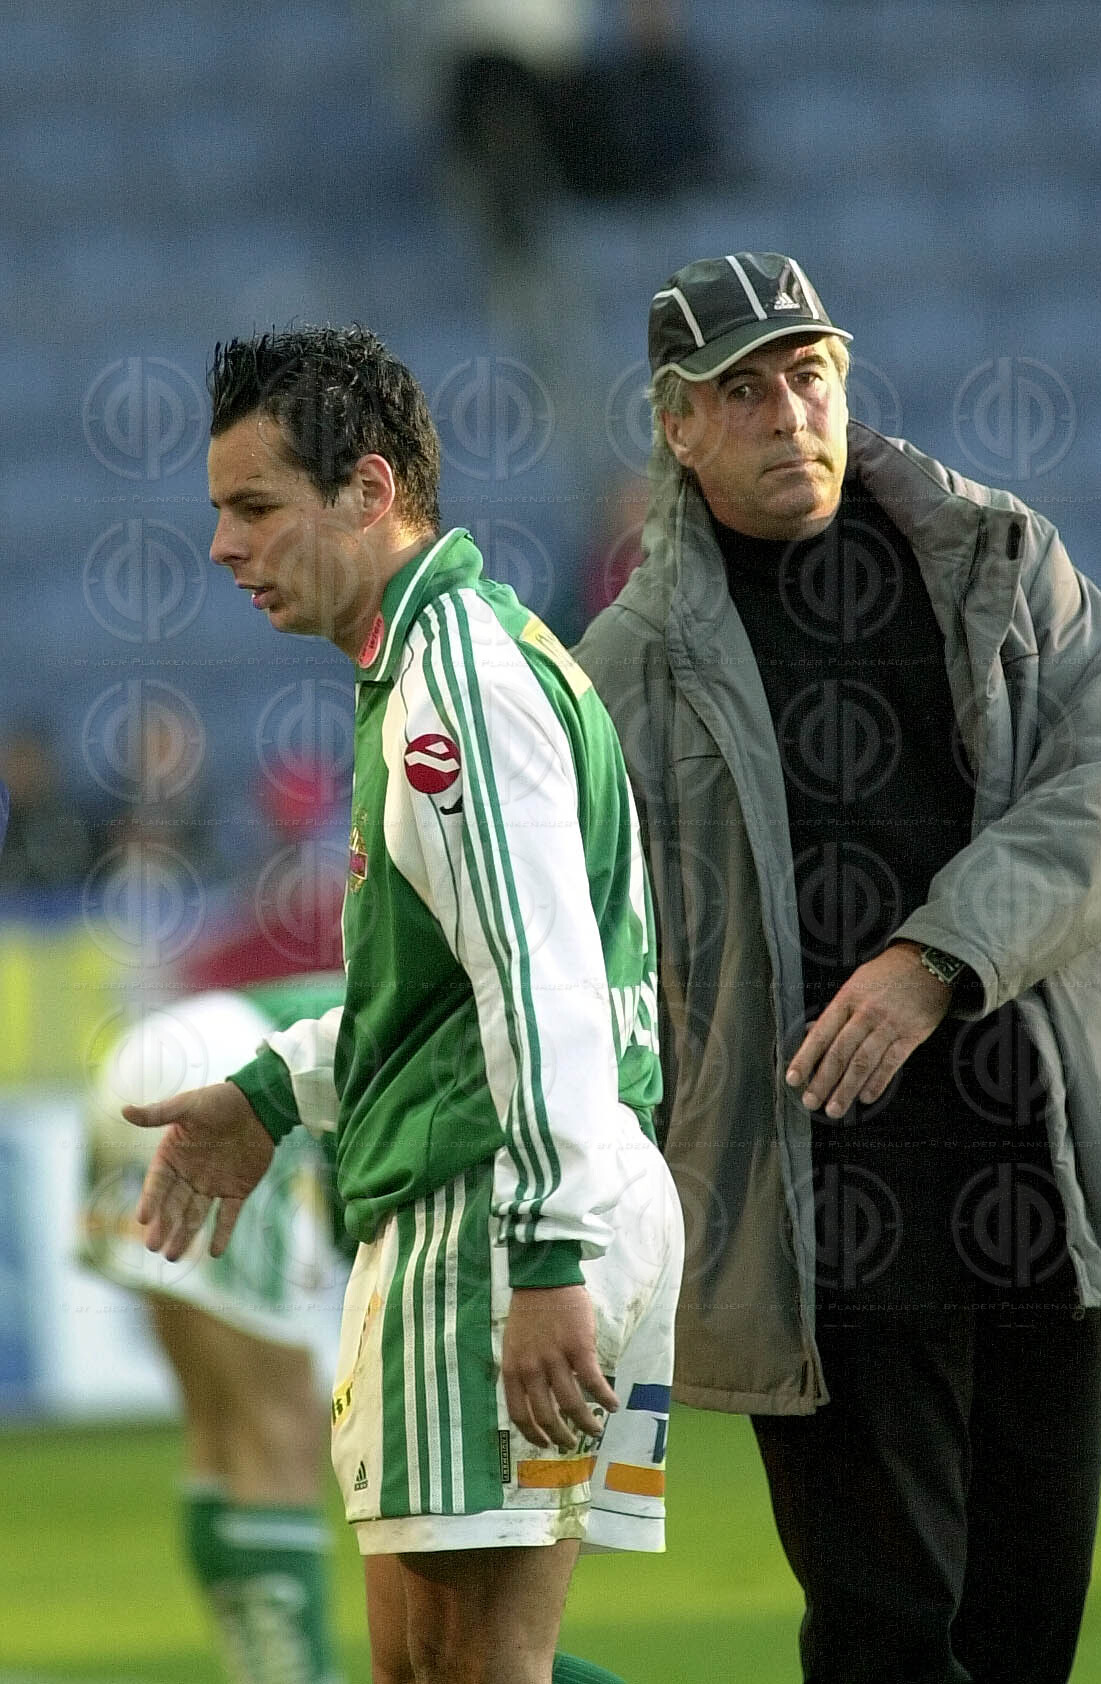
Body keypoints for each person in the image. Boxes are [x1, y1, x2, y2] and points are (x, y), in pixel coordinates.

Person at [573, 250, 1101, 1684]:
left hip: (1033, 1179)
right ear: (677, 425)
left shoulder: (1000, 555)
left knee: (1028, 1633)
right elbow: (594, 957)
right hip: (816, 1219)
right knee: (885, 1638)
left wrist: (931, 958)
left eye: (809, 374)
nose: (789, 413)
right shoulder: (623, 668)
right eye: (743, 390)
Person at [125, 326, 682, 1684]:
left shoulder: (452, 693)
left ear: (369, 490)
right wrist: (273, 1093)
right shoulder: (437, 665)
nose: (224, 547)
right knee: (427, 1667)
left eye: (256, 507)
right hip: (507, 1196)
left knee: (473, 1668)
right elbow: (438, 994)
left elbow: (543, 984)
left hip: (496, 1211)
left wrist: (545, 1257)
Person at [81, 974, 350, 1684]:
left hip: (147, 1058)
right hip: (228, 1077)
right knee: (281, 1424)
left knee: (221, 1426)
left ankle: (261, 1667)